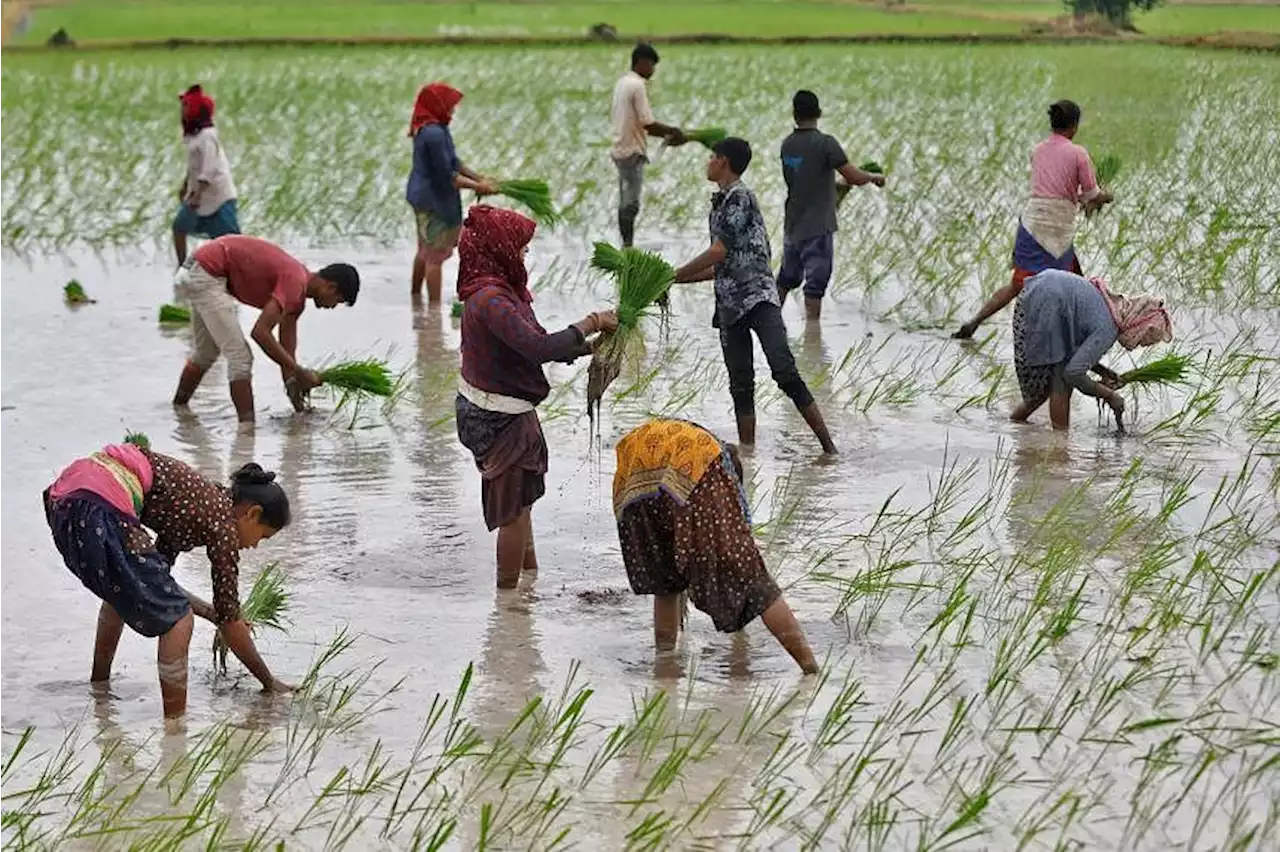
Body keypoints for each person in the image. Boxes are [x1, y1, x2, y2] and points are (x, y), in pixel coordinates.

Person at [43, 444, 294, 718]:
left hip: (68, 498)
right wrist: (269, 682)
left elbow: (158, 584)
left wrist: (214, 614)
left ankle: (99, 688)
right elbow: (230, 620)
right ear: (252, 514)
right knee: (179, 620)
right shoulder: (223, 526)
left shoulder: (197, 504)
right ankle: (175, 728)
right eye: (263, 536)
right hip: (101, 504)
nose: (256, 546)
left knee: (124, 589)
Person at [454, 205, 617, 588]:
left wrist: (590, 347)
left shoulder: (503, 293)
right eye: (521, 248)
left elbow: (541, 344)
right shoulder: (490, 300)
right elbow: (537, 348)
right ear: (499, 248)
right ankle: (508, 604)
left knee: (521, 503)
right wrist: (591, 321)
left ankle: (528, 583)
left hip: (505, 410)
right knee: (512, 512)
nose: (525, 255)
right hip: (497, 417)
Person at [613, 419, 819, 673]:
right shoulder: (717, 464)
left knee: (666, 582)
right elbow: (738, 548)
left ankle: (665, 666)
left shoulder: (698, 440)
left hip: (632, 470)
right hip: (686, 460)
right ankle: (811, 669)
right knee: (755, 581)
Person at [673, 138, 837, 455]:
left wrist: (676, 273)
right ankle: (748, 455)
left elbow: (718, 252)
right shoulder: (719, 203)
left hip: (759, 299)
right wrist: (670, 281)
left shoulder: (740, 197)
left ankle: (829, 449)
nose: (707, 162)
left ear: (723, 162)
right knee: (741, 384)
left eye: (712, 156)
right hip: (729, 304)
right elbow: (723, 265)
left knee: (784, 370)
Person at [954, 100, 1114, 339]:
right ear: (1075, 126)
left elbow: (1053, 189)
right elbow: (1090, 194)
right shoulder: (1078, 153)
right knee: (1070, 287)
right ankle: (1077, 339)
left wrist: (1080, 198)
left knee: (1019, 284)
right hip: (1058, 229)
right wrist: (1106, 195)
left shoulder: (1037, 150)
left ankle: (975, 321)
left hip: (1031, 224)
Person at [171, 235, 360, 423]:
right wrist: (300, 372)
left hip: (197, 268)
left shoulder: (296, 300)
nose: (333, 306)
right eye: (338, 301)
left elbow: (287, 355)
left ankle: (178, 409)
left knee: (206, 352)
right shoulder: (295, 281)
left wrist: (299, 407)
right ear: (331, 287)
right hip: (208, 271)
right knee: (240, 358)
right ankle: (246, 431)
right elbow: (260, 332)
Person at [1012, 269, 1172, 430]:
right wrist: (1110, 396)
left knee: (1047, 383)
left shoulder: (1112, 309)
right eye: (1144, 339)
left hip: (1039, 290)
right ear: (1139, 326)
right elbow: (1073, 373)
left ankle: (1016, 421)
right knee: (1061, 381)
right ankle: (1060, 443)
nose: (1140, 344)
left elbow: (1074, 350)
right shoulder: (1109, 328)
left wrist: (1101, 371)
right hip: (1048, 300)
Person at [778, 90, 885, 320]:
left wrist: (843, 183)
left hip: (793, 223)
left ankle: (771, 322)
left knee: (787, 277)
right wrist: (874, 177)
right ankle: (812, 335)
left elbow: (807, 178)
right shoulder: (826, 143)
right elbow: (854, 176)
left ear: (794, 115)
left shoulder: (787, 145)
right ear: (819, 113)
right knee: (815, 284)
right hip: (818, 226)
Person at [406, 82, 498, 304]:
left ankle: (415, 300)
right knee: (435, 257)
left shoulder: (430, 127)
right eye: (450, 106)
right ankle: (434, 312)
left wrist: (478, 178)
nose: (453, 111)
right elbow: (448, 177)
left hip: (422, 197)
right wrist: (479, 187)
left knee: (424, 250)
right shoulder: (434, 134)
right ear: (438, 106)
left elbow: (454, 162)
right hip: (433, 201)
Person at [610, 43, 686, 249]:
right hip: (632, 149)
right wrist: (673, 131)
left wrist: (669, 133)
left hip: (620, 147)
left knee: (625, 199)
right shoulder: (637, 85)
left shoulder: (622, 82)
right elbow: (648, 123)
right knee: (630, 203)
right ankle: (628, 247)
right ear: (642, 62)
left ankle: (626, 245)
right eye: (651, 65)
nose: (652, 71)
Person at [172, 84, 240, 267]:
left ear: (195, 110)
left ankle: (239, 271)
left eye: (186, 106)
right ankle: (182, 267)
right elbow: (194, 165)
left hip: (218, 196)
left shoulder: (208, 136)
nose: (182, 110)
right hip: (197, 195)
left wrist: (198, 194)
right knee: (179, 227)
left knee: (230, 242)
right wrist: (186, 185)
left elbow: (210, 167)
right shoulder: (193, 136)